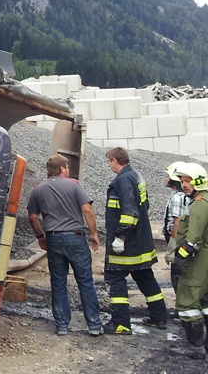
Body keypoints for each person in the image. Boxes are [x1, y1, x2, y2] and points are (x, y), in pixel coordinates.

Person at [28, 154, 103, 336]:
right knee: (85, 281)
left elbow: (32, 216)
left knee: (58, 282)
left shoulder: (38, 189)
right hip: (76, 238)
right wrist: (93, 233)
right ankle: (93, 325)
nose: (68, 170)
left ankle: (62, 325)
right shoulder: (74, 185)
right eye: (67, 167)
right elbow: (87, 210)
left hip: (54, 239)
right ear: (62, 169)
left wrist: (40, 236)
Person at [103, 147, 167, 334]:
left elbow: (130, 213)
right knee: (145, 278)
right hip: (141, 242)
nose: (109, 165)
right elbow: (144, 206)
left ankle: (121, 323)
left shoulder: (122, 180)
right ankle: (159, 317)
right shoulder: (136, 176)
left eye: (109, 161)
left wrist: (120, 237)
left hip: (126, 244)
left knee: (115, 279)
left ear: (115, 160)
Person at [167, 162, 208, 360]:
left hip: (198, 261)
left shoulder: (200, 204)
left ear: (198, 181)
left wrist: (179, 260)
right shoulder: (203, 200)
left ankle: (195, 346)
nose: (184, 185)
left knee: (188, 302)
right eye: (182, 181)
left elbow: (193, 240)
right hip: (205, 260)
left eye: (188, 181)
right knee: (205, 301)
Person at [163, 162, 191, 292]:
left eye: (168, 176)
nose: (165, 179)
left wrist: (171, 248)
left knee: (178, 274)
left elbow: (177, 223)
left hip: (178, 242)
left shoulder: (177, 197)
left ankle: (182, 306)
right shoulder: (184, 196)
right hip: (183, 241)